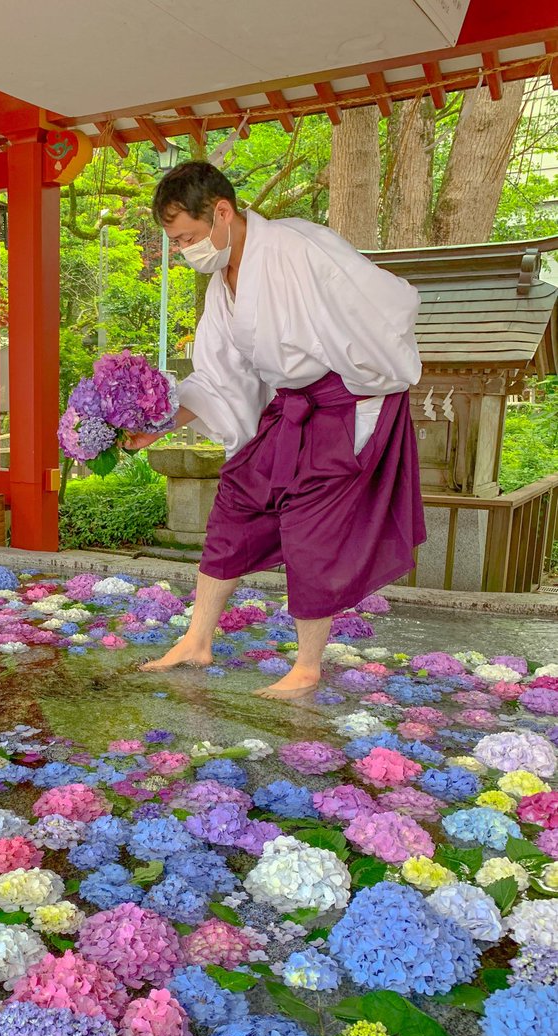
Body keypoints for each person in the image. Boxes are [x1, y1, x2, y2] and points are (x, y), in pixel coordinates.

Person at [125, 162, 425, 698]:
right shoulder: (223, 283)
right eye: (177, 242)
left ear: (222, 212)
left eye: (189, 237)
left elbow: (386, 306)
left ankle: (307, 667)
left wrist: (368, 380)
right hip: (290, 409)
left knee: (311, 529)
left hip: (344, 403)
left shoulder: (299, 247)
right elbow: (219, 376)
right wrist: (160, 426)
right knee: (236, 504)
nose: (186, 250)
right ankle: (197, 639)